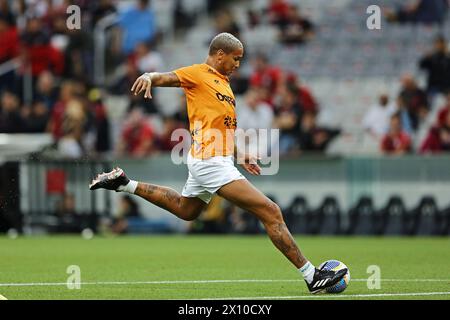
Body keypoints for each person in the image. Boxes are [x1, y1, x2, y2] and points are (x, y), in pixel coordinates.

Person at [89, 32, 346, 294]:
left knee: (185, 210)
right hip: (211, 162)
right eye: (236, 59)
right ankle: (312, 275)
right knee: (271, 211)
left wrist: (240, 154)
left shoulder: (224, 84)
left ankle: (124, 183)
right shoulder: (198, 73)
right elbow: (167, 77)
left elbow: (222, 130)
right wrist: (148, 77)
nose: (238, 65)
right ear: (220, 55)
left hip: (212, 158)